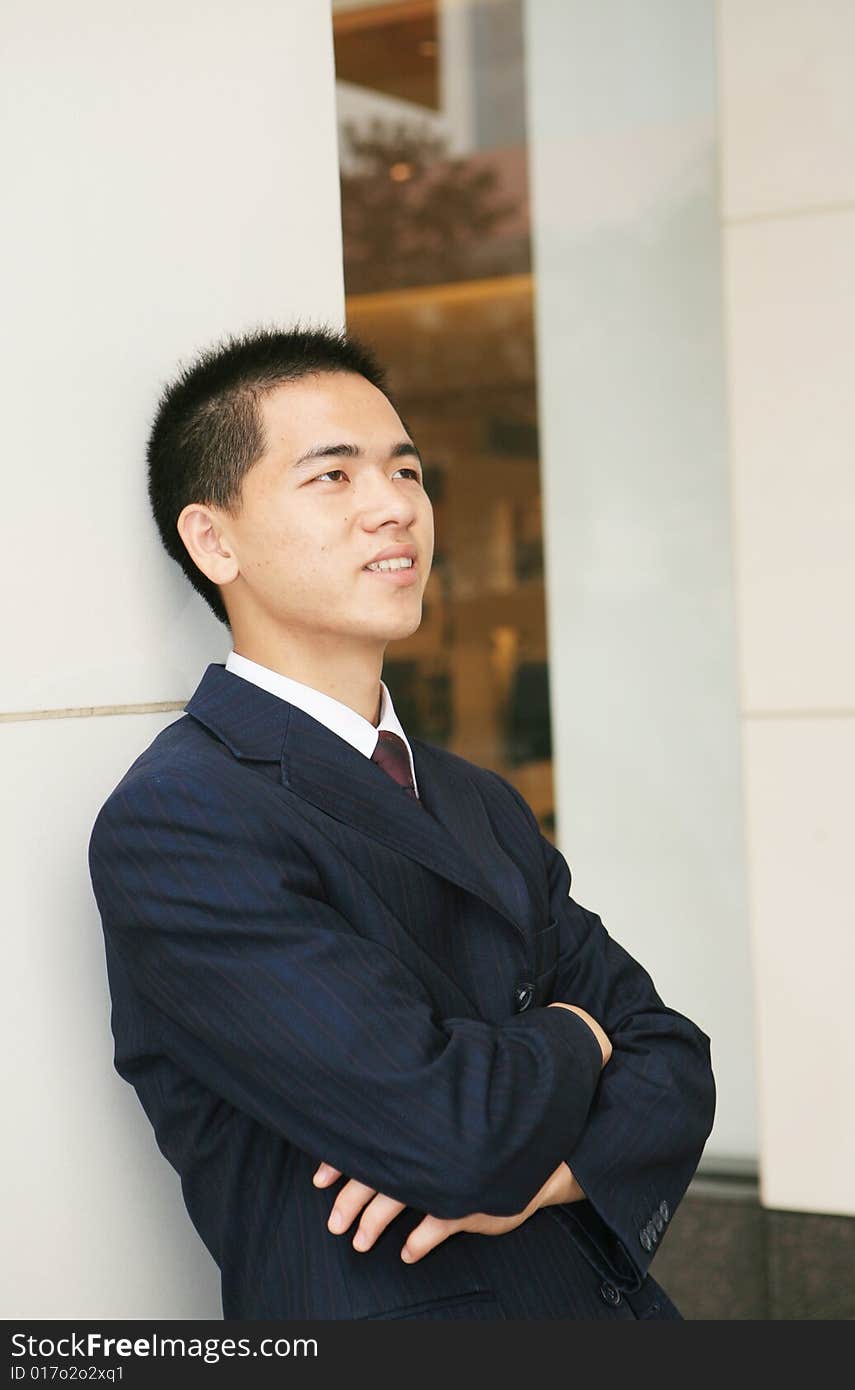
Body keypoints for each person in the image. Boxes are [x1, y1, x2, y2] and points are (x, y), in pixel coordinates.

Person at [88, 325, 716, 1321]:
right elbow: (452, 1135)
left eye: (406, 469)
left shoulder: (472, 794)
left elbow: (675, 1057)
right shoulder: (184, 818)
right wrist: (581, 1030)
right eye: (332, 477)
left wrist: (543, 1176)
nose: (396, 507)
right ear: (214, 539)